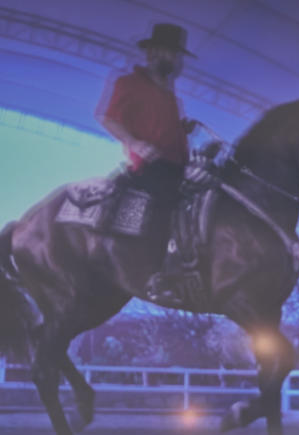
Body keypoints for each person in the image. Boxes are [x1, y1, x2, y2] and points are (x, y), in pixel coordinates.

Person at [96, 22, 204, 301]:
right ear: (152, 53)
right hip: (149, 168)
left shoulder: (170, 93)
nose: (175, 60)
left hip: (178, 165)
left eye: (177, 56)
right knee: (155, 207)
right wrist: (135, 144)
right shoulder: (128, 83)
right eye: (170, 54)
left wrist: (183, 130)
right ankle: (154, 273)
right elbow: (107, 118)